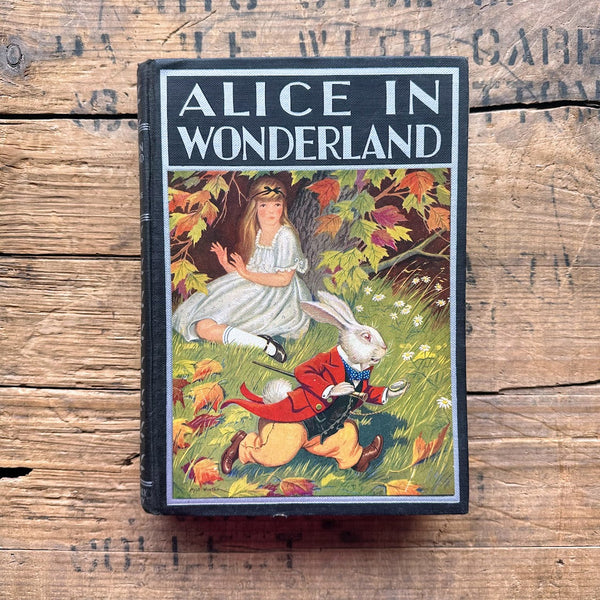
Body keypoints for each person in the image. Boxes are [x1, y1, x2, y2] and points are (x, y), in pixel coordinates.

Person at [172, 175, 311, 363]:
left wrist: (246, 273)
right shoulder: (258, 233)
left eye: (276, 205)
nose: (271, 211)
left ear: (283, 206)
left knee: (205, 326)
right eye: (264, 205)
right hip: (256, 289)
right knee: (201, 323)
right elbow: (251, 273)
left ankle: (265, 345)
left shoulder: (285, 235)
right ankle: (263, 344)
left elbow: (283, 280)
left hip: (276, 299)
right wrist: (227, 265)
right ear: (255, 207)